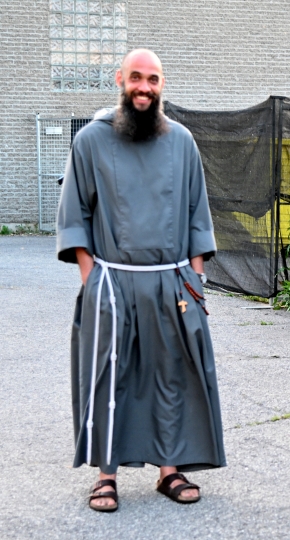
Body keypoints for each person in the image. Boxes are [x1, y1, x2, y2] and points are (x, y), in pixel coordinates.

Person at [57, 49, 226, 512]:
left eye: (153, 79)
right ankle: (105, 475)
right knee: (109, 375)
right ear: (120, 79)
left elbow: (197, 214)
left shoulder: (182, 142)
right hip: (112, 280)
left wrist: (195, 281)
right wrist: (93, 279)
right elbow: (75, 215)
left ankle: (169, 470)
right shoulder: (91, 140)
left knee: (170, 374)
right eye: (136, 77)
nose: (144, 87)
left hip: (171, 282)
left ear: (162, 84)